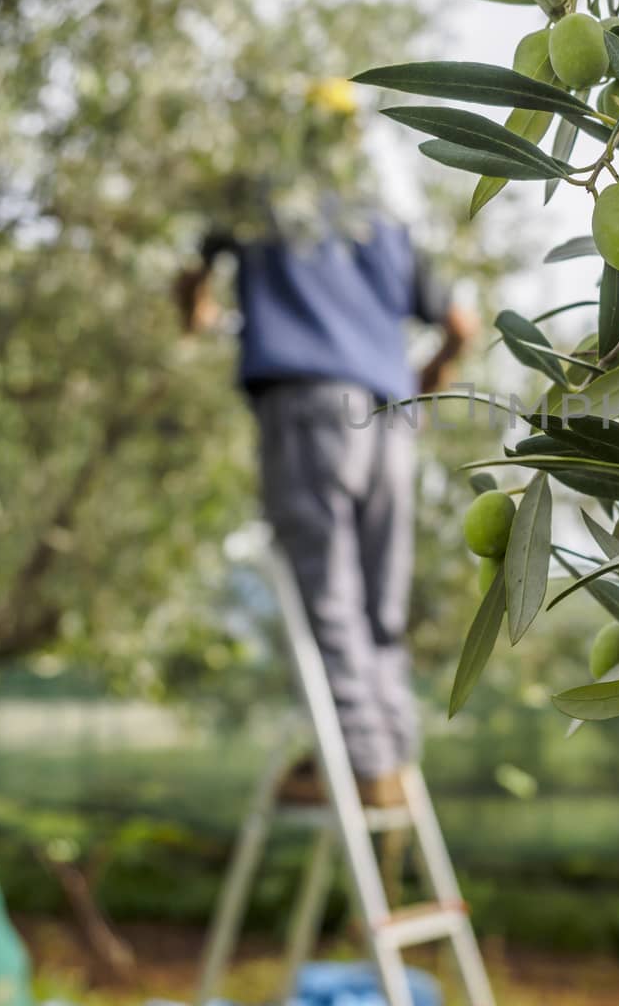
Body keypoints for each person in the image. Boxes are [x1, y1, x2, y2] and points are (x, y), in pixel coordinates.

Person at [179, 160, 477, 808]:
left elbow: (193, 274)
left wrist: (196, 308)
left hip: (310, 406)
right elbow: (460, 327)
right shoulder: (384, 220)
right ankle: (389, 755)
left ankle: (365, 768)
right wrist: (421, 389)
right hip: (390, 419)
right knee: (380, 608)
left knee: (330, 596)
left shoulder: (262, 194)